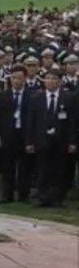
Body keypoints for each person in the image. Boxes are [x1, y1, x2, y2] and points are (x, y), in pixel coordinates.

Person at [24, 67, 77, 207]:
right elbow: (31, 121)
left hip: (61, 140)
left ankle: (57, 198)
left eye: (54, 79)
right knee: (42, 169)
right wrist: (29, 141)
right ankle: (43, 198)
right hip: (42, 140)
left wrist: (73, 141)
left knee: (59, 170)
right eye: (48, 78)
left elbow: (72, 121)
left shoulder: (69, 98)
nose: (50, 81)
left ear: (60, 82)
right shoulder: (37, 98)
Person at [0, 65, 33, 203]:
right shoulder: (4, 96)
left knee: (25, 166)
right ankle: (7, 194)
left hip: (24, 134)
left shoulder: (32, 96)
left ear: (25, 79)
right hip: (8, 135)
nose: (16, 81)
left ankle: (23, 195)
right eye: (13, 78)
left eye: (19, 78)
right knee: (7, 166)